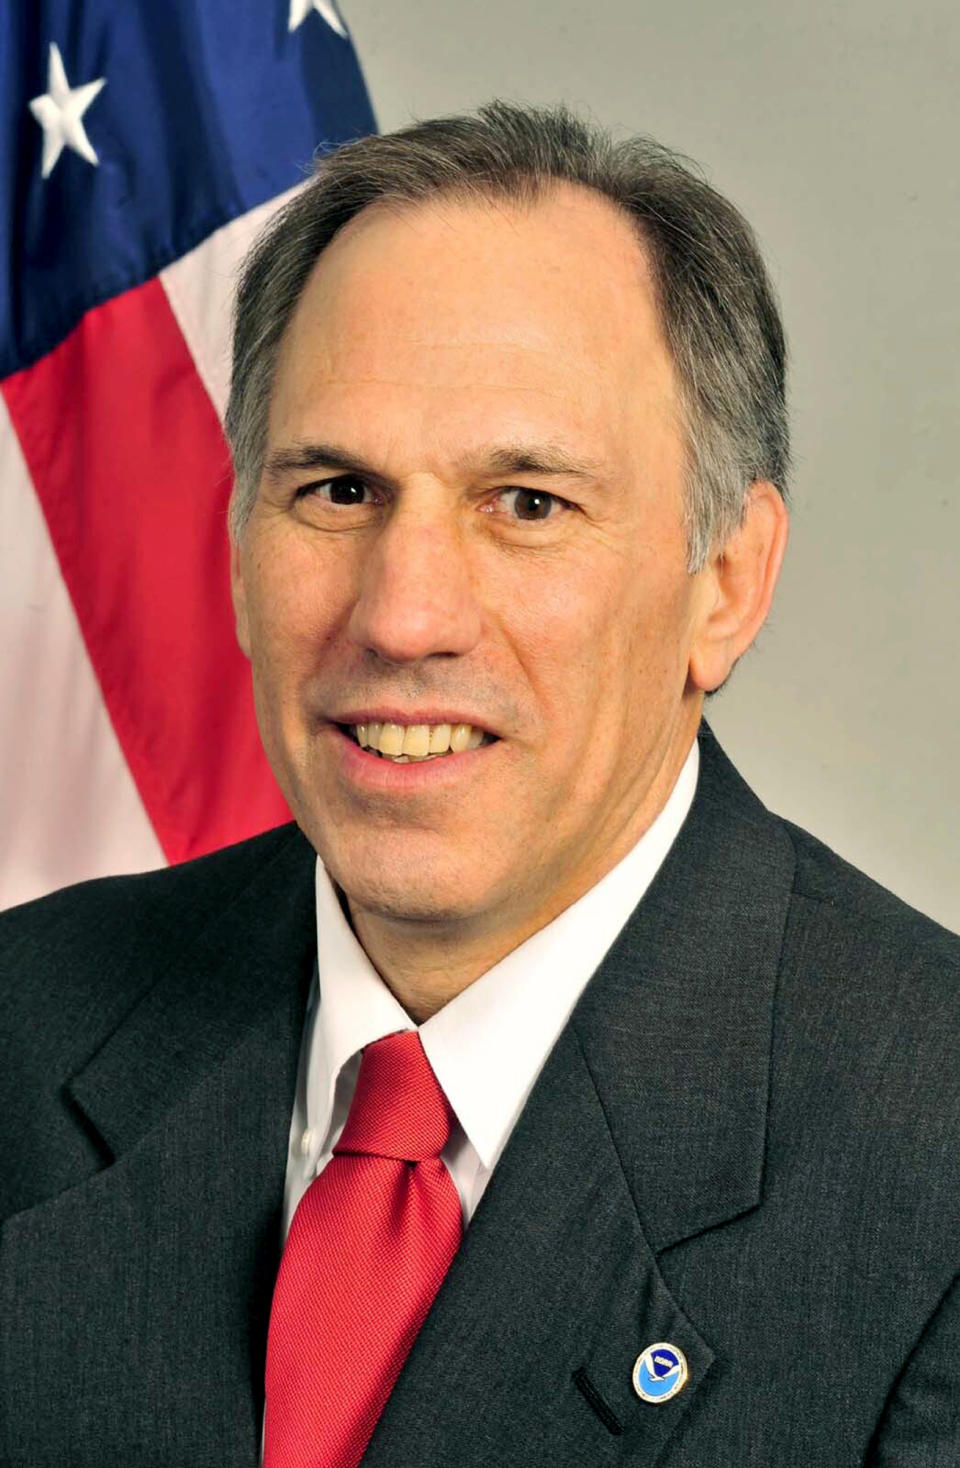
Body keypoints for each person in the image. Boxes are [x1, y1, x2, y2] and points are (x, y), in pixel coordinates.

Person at [1, 101, 958, 1468]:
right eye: (336, 490)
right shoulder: (23, 1019)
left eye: (528, 503)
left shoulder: (931, 1167)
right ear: (235, 538)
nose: (402, 616)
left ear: (728, 586)